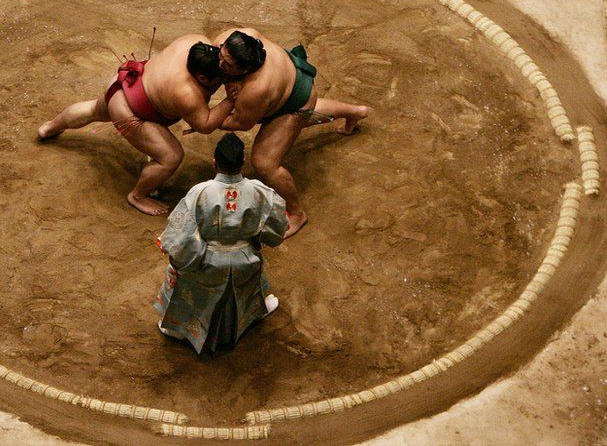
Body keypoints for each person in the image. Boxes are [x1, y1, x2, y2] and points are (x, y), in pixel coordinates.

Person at [36, 34, 234, 216]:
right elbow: (205, 125)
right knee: (171, 156)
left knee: (93, 110)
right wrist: (230, 100)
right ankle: (138, 196)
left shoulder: (194, 41)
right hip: (130, 112)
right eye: (221, 78)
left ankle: (49, 128)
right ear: (202, 78)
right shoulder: (187, 93)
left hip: (124, 81)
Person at [212, 28, 370, 238]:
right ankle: (356, 112)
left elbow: (241, 123)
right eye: (221, 54)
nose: (220, 62)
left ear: (245, 69)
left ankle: (297, 214)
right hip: (293, 82)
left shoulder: (256, 89)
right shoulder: (236, 37)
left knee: (264, 163)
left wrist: (206, 120)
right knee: (306, 106)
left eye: (227, 65)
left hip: (294, 104)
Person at [153, 133, 287, 355]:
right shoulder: (260, 191)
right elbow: (278, 227)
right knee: (253, 268)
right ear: (242, 162)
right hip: (246, 261)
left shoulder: (200, 192)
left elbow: (180, 237)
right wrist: (255, 239)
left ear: (214, 163)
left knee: (178, 268)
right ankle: (256, 310)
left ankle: (178, 328)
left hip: (207, 262)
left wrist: (184, 258)